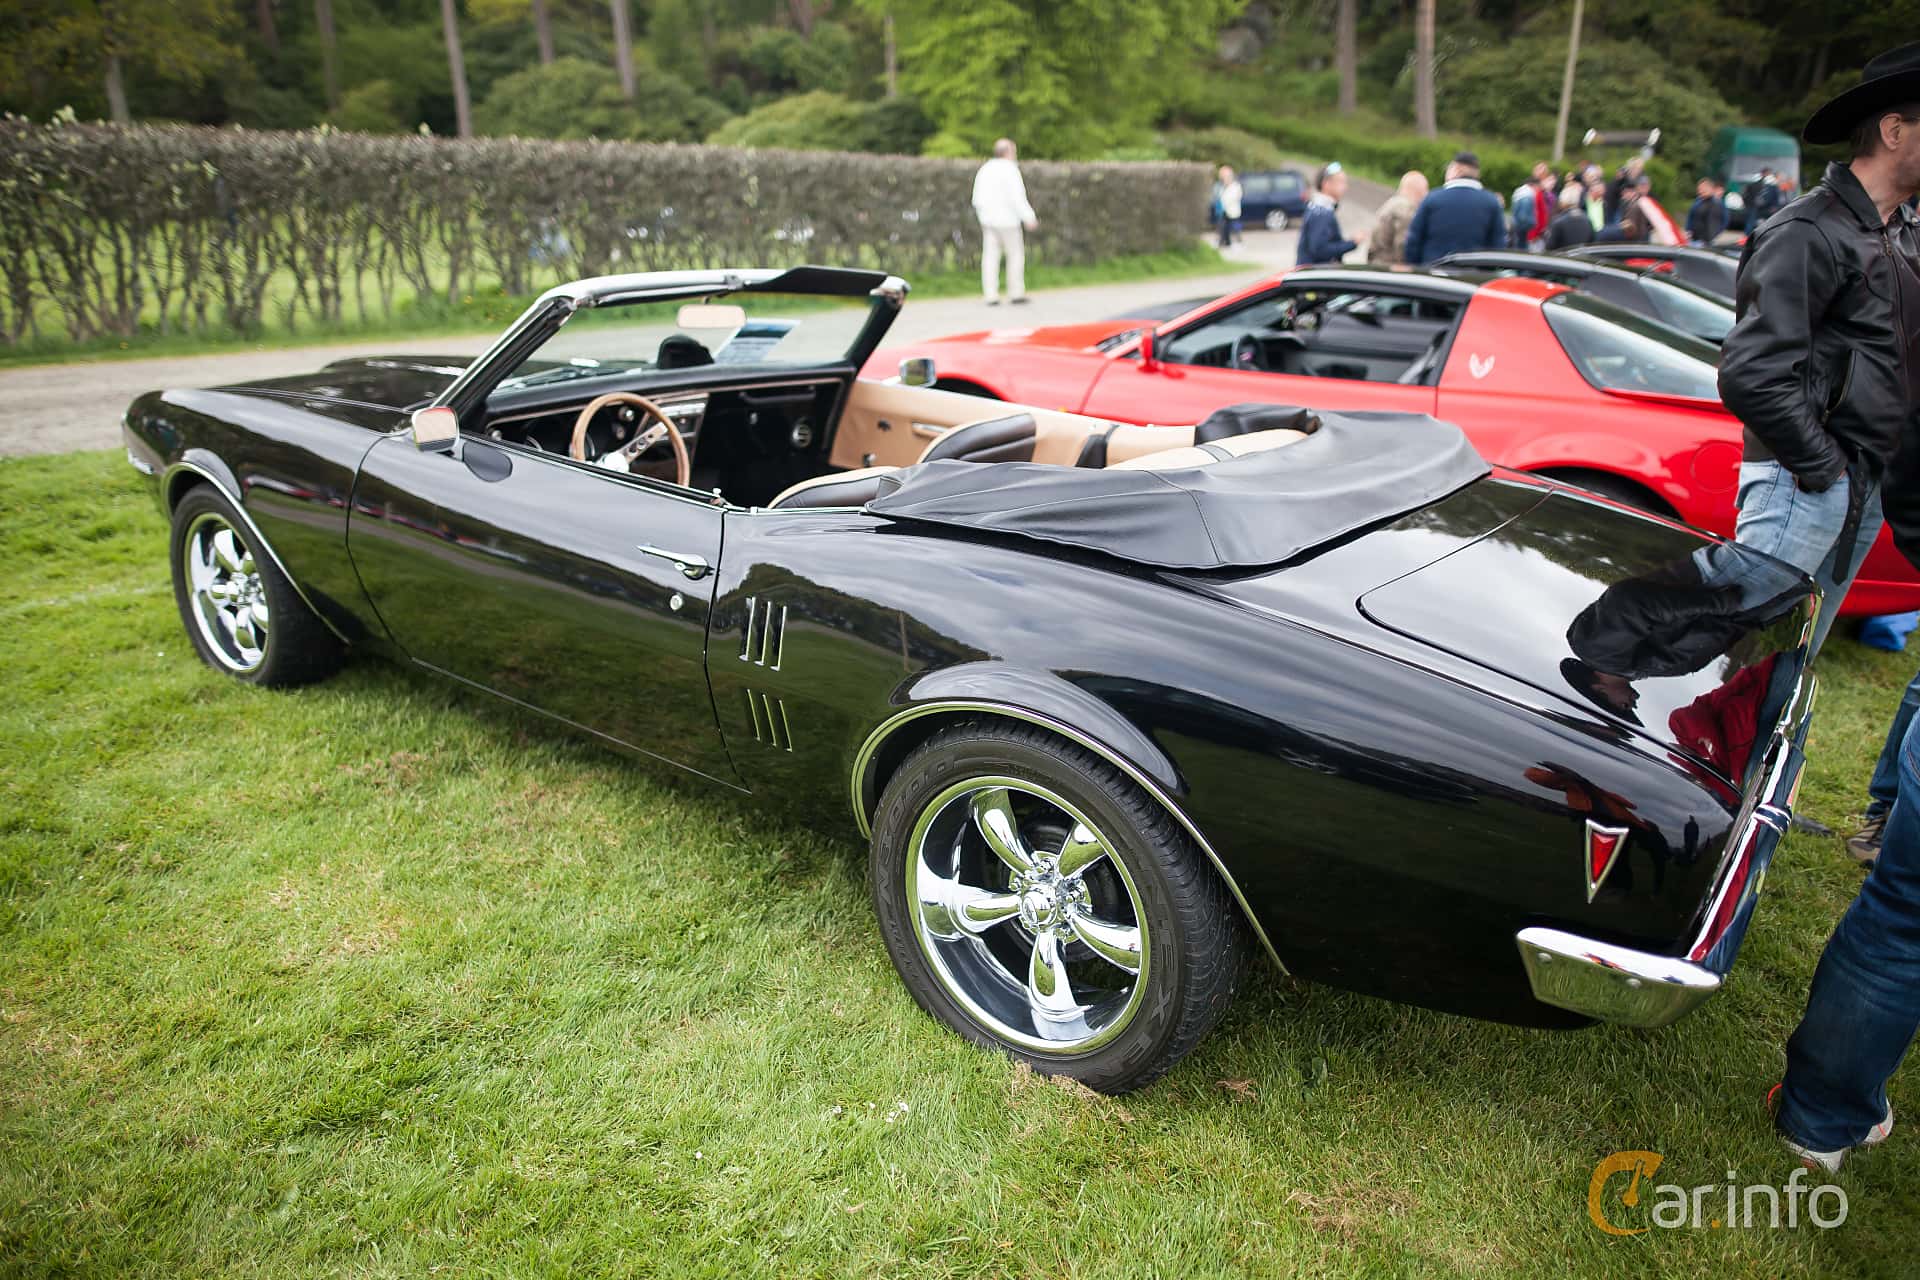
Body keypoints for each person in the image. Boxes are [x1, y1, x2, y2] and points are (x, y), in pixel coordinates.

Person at [1404, 151, 1507, 264]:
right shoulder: (1491, 202)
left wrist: (1416, 267)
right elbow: (1498, 245)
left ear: (1457, 169)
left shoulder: (1432, 198)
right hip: (1475, 271)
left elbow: (1413, 241)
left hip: (1433, 269)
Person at [972, 137, 1038, 305]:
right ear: (1008, 152)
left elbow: (977, 198)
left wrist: (983, 217)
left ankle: (990, 294)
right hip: (1009, 221)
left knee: (990, 257)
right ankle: (1015, 292)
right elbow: (1017, 197)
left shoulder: (985, 169)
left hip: (989, 221)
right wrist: (1029, 217)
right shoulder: (1010, 170)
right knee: (1015, 256)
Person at [1296, 162, 1358, 266]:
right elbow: (1319, 250)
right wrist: (1352, 243)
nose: (1345, 187)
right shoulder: (1321, 212)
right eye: (1341, 182)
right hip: (1315, 274)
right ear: (1326, 184)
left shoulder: (1318, 206)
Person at [1367, 170, 1428, 266]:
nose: (1427, 194)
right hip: (1391, 266)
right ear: (1418, 190)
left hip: (1378, 262)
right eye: (1426, 189)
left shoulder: (1391, 203)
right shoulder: (1407, 209)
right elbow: (1403, 245)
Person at [1510, 162, 1554, 250]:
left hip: (1535, 233)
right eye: (1539, 170)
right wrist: (1534, 235)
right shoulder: (1532, 192)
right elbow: (1534, 215)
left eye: (1543, 172)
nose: (1540, 173)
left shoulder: (1534, 192)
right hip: (1532, 234)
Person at [1543, 182, 1595, 251]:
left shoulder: (1558, 221)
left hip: (1562, 256)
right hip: (1582, 256)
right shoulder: (1587, 220)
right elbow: (1592, 242)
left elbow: (1549, 246)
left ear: (1563, 202)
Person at [1605, 154, 1647, 224]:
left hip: (1636, 206)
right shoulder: (1623, 177)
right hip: (1620, 206)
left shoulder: (1642, 179)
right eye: (1634, 167)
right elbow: (1612, 190)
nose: (1636, 170)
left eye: (1638, 168)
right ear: (1630, 168)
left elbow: (1646, 192)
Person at [1686, 176, 1728, 245]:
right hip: (1693, 239)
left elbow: (1723, 221)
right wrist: (1688, 230)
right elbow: (1691, 217)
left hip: (1706, 241)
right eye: (1699, 189)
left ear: (1711, 189)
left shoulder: (1716, 203)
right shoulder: (1698, 202)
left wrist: (1713, 236)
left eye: (1703, 188)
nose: (1701, 191)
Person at [1212, 165, 1243, 248]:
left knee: (1235, 227)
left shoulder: (1235, 186)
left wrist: (1224, 203)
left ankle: (1238, 243)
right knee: (1222, 227)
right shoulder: (1220, 186)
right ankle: (1224, 242)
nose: (1224, 178)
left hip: (1232, 210)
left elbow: (1234, 197)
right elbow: (1218, 196)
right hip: (1222, 210)